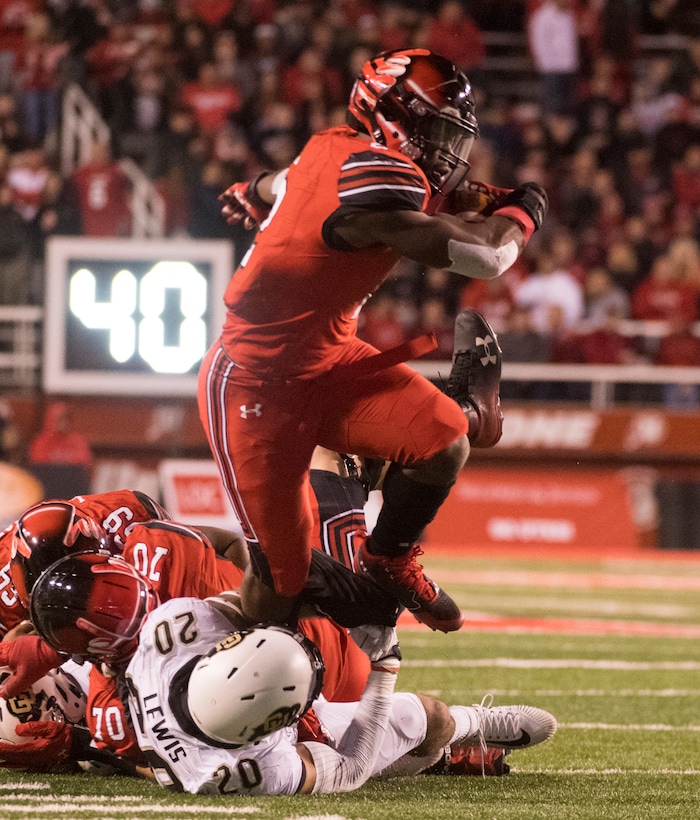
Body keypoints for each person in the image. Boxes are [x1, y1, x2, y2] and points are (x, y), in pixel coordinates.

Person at [199, 48, 548, 631]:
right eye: (437, 131)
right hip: (255, 388)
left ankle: (387, 556)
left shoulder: (332, 145)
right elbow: (486, 257)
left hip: (329, 359)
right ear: (394, 117)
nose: (448, 151)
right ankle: (219, 652)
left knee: (445, 441)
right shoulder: (377, 181)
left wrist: (253, 190)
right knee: (281, 582)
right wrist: (525, 212)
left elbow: (285, 180)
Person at [21, 561, 557, 791]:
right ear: (269, 727)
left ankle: (437, 750)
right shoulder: (244, 770)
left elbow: (257, 597)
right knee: (432, 719)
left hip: (233, 694)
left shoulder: (170, 632)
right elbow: (350, 772)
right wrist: (385, 667)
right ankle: (462, 731)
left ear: (222, 651)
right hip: (262, 745)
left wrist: (350, 599)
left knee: (280, 571)